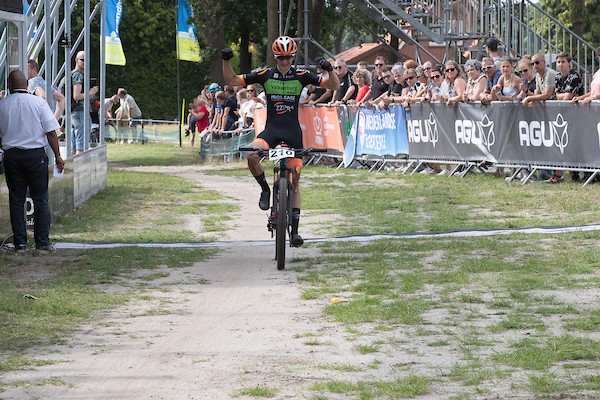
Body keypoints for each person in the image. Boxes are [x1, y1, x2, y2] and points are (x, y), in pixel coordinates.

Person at [221, 36, 339, 246]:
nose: (284, 62)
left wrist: (329, 69)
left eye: (288, 58)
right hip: (271, 131)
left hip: (293, 133)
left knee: (294, 182)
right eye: (280, 58)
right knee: (252, 156)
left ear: (293, 57)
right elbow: (232, 81)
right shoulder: (265, 74)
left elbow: (333, 85)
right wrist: (226, 61)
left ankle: (294, 232)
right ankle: (265, 189)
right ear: (275, 57)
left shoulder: (302, 75)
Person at [0, 70, 64, 254]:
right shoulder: (38, 103)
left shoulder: (2, 105)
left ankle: (20, 243)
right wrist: (58, 156)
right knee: (40, 199)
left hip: (12, 157)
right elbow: (51, 132)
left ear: (10, 86)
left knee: (17, 200)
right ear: (27, 84)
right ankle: (42, 243)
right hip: (36, 157)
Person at [71, 50, 99, 154]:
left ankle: (70, 169)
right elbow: (76, 96)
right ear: (76, 60)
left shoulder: (72, 74)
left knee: (73, 146)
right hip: (80, 112)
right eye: (82, 60)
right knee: (81, 147)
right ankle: (78, 169)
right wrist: (91, 92)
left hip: (73, 112)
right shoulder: (78, 75)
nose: (85, 62)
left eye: (87, 60)